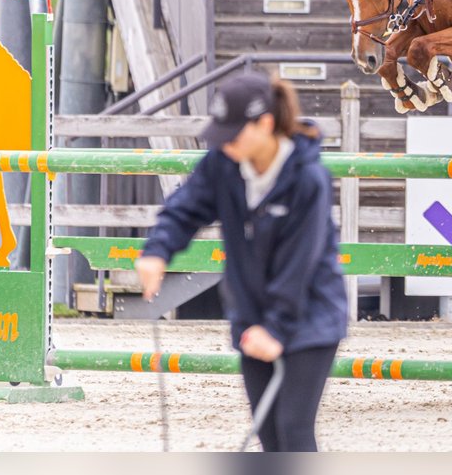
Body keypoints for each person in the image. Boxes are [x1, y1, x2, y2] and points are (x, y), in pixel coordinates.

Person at [135, 72, 347, 452]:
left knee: (293, 428)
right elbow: (185, 208)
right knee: (268, 432)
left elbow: (300, 264)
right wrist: (157, 251)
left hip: (309, 317)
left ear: (265, 124)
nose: (224, 143)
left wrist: (276, 328)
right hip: (252, 317)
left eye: (233, 133)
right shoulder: (224, 163)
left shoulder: (308, 179)